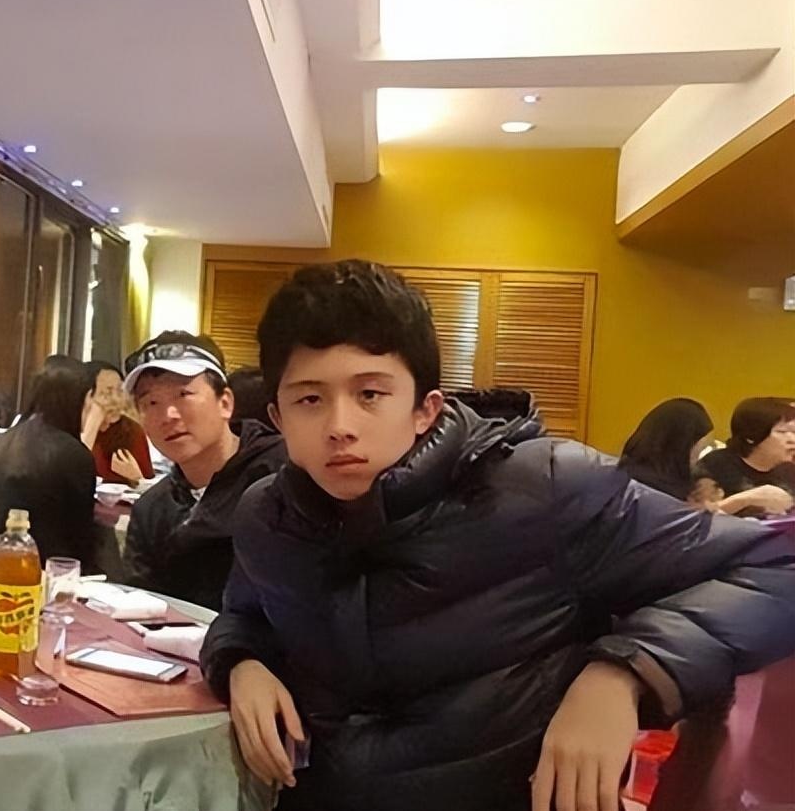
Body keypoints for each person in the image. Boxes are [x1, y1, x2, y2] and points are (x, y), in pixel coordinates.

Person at [200, 260, 795, 811]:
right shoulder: (268, 515)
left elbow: (777, 569)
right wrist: (241, 662)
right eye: (309, 399)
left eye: (370, 394)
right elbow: (245, 614)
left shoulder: (544, 487)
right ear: (277, 417)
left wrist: (624, 672)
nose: (340, 427)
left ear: (425, 408)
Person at [121, 331, 285, 611]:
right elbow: (138, 609)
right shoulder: (151, 510)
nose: (168, 415)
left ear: (225, 403)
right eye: (151, 403)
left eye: (183, 394)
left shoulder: (282, 473)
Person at [0, 356, 98, 571]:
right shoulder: (73, 454)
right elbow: (81, 537)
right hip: (43, 571)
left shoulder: (6, 440)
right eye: (90, 396)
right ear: (77, 399)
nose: (92, 405)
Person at [693, 397, 795, 515]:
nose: (792, 440)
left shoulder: (788, 469)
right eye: (782, 432)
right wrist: (745, 500)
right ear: (751, 436)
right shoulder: (715, 465)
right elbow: (693, 518)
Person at [618, 397, 715, 500]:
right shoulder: (653, 491)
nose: (698, 459)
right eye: (699, 450)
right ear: (681, 448)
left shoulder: (626, 473)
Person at [83, 359, 154, 485]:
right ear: (87, 397)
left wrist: (137, 478)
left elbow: (149, 487)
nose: (116, 400)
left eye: (119, 391)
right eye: (107, 393)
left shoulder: (131, 430)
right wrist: (93, 424)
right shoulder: (69, 430)